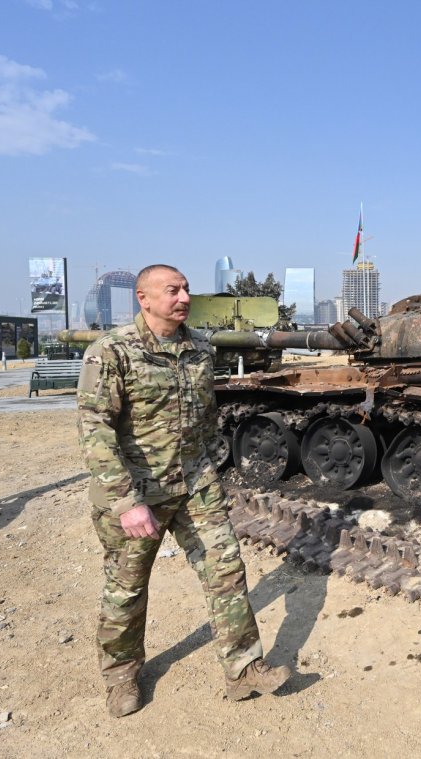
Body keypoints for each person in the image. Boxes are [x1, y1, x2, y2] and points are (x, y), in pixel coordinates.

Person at [77, 264, 292, 718]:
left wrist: (210, 467)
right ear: (144, 298)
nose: (183, 297)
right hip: (136, 492)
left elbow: (205, 416)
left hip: (196, 486)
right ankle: (121, 677)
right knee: (128, 590)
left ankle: (244, 669)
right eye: (172, 290)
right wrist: (125, 502)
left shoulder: (197, 348)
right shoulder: (111, 352)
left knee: (226, 572)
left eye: (186, 289)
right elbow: (95, 431)